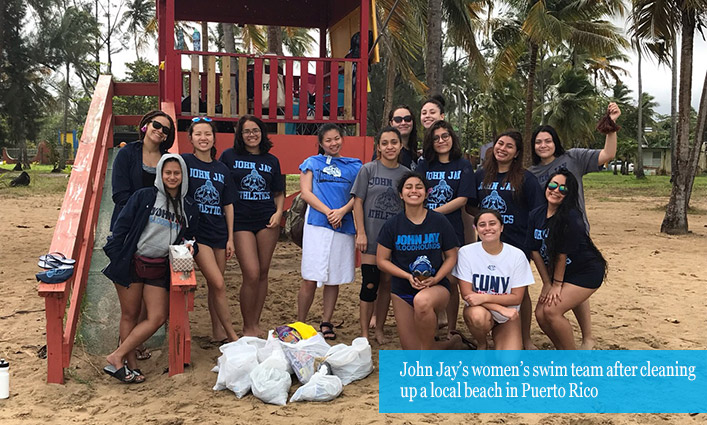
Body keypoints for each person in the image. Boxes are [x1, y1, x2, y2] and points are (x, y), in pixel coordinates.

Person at [528, 102, 620, 349]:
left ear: (555, 142)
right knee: (562, 291)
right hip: (549, 240)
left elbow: (607, 155)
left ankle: (587, 338)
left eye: (548, 141)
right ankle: (567, 348)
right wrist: (550, 283)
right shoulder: (532, 172)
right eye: (538, 142)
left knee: (570, 286)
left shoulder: (574, 157)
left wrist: (611, 127)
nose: (543, 145)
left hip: (575, 234)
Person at [102, 154, 199, 383]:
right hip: (132, 262)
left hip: (159, 267)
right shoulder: (144, 196)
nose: (172, 177)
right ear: (160, 174)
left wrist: (189, 246)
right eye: (168, 173)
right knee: (130, 314)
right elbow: (120, 228)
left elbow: (190, 235)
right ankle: (130, 366)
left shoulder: (189, 206)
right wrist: (117, 257)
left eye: (177, 173)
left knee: (156, 317)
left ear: (183, 175)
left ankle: (117, 355)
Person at [109, 110, 175, 361]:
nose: (160, 130)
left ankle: (132, 346)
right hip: (129, 231)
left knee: (150, 300)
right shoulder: (128, 153)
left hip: (157, 233)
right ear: (146, 125)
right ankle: (125, 357)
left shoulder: (168, 160)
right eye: (156, 125)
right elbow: (119, 194)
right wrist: (142, 214)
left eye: (166, 129)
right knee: (131, 304)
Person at [376, 172, 468, 350]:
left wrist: (437, 278)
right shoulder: (392, 225)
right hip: (402, 289)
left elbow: (452, 255)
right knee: (411, 351)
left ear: (426, 193)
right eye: (408, 187)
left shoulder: (439, 221)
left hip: (435, 287)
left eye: (419, 187)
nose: (414, 191)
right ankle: (453, 343)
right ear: (401, 194)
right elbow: (382, 260)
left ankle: (425, 359)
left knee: (422, 302)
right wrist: (407, 276)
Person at [468, 130, 543, 349]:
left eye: (509, 146)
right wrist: (486, 223)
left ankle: (524, 336)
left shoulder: (526, 178)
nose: (503, 148)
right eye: (500, 143)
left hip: (517, 242)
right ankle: (490, 325)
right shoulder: (481, 176)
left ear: (517, 153)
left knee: (520, 290)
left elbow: (537, 210)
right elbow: (470, 204)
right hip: (487, 243)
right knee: (486, 283)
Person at [527, 170, 608, 350]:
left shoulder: (571, 217)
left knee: (551, 311)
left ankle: (571, 359)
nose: (556, 191)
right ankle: (562, 350)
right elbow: (534, 251)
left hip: (585, 271)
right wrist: (546, 283)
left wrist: (556, 284)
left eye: (563, 189)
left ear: (569, 193)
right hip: (560, 273)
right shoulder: (535, 215)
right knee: (540, 315)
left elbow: (561, 255)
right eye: (553, 185)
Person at [220, 115, 284, 337]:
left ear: (262, 132)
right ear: (240, 134)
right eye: (246, 131)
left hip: (267, 220)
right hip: (240, 221)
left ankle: (255, 323)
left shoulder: (272, 160)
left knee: (264, 272)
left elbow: (278, 191)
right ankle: (247, 325)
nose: (251, 135)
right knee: (251, 272)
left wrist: (278, 213)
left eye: (255, 130)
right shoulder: (229, 156)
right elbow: (221, 186)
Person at [297, 124, 362, 340]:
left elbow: (359, 194)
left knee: (333, 278)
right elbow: (306, 192)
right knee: (309, 276)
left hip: (342, 226)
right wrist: (328, 212)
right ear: (321, 143)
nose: (333, 143)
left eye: (337, 138)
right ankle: (301, 322)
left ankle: (326, 321)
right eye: (328, 140)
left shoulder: (354, 166)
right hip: (317, 224)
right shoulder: (311, 163)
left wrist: (342, 212)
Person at [182, 117, 238, 343]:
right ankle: (233, 334)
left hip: (219, 232)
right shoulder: (185, 162)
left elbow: (228, 204)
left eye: (207, 134)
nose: (203, 138)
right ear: (191, 138)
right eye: (198, 134)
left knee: (217, 286)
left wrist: (231, 238)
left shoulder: (222, 168)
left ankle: (218, 331)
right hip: (198, 234)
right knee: (218, 283)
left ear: (214, 138)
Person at [352, 126, 410, 344]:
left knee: (387, 283)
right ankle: (365, 333)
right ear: (378, 147)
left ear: (400, 145)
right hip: (371, 235)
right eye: (384, 143)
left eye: (394, 142)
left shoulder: (405, 173)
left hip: (394, 240)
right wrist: (361, 232)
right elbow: (358, 202)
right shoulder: (368, 170)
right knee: (369, 283)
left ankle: (380, 330)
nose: (389, 147)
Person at [416, 120, 475, 335]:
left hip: (451, 229)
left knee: (451, 279)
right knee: (427, 273)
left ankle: (451, 326)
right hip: (425, 230)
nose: (441, 141)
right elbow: (416, 191)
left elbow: (463, 198)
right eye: (436, 138)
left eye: (445, 136)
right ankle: (433, 323)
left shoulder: (463, 165)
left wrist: (433, 213)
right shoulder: (424, 165)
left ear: (452, 138)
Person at [453, 210, 535, 350]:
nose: (488, 228)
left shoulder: (517, 255)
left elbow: (516, 298)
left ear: (501, 227)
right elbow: (467, 295)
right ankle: (482, 344)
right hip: (484, 310)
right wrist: (499, 308)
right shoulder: (466, 253)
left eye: (492, 224)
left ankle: (501, 335)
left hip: (507, 315)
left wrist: (484, 297)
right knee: (477, 316)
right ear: (476, 229)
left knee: (509, 361)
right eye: (482, 225)